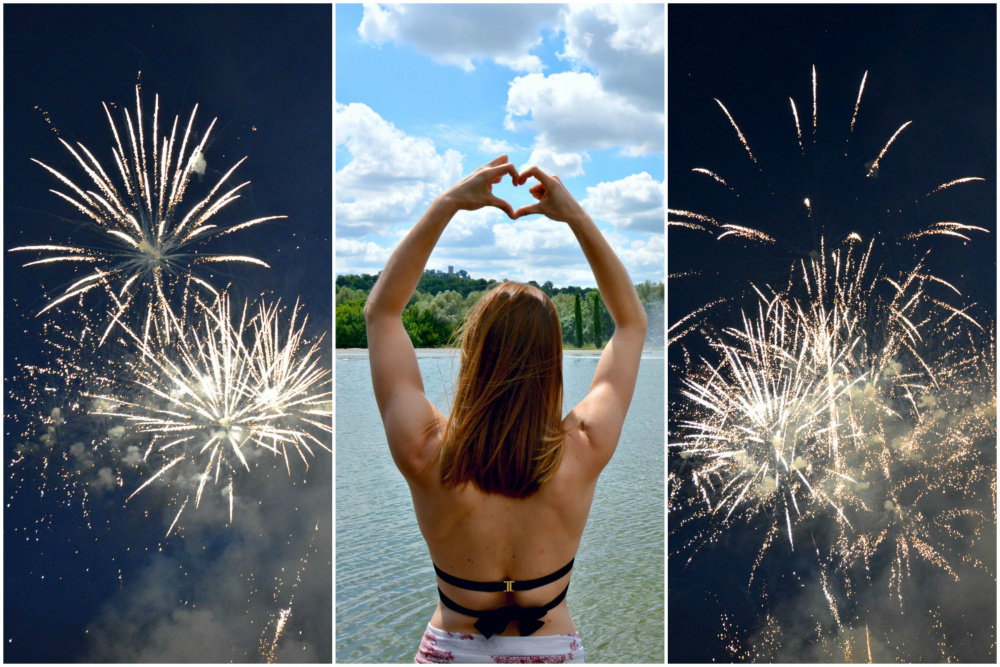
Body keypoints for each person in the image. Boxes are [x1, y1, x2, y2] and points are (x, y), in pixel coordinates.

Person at [364, 156, 647, 663]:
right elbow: (630, 325)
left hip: (451, 650)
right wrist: (575, 216)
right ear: (551, 364)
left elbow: (382, 312)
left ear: (474, 354)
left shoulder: (426, 451)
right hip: (551, 651)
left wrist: (448, 203)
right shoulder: (583, 448)